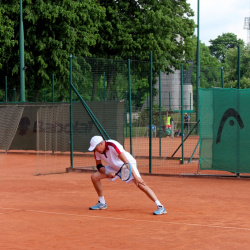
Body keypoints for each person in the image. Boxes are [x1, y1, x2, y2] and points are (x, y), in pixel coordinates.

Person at [88, 135, 167, 215]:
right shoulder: (97, 151)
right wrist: (106, 173)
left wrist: (136, 177)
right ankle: (102, 203)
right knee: (94, 177)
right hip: (114, 167)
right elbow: (99, 165)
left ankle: (160, 206)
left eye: (96, 147)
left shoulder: (113, 145)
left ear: (101, 144)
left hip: (127, 165)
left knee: (140, 184)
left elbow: (127, 162)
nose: (95, 149)